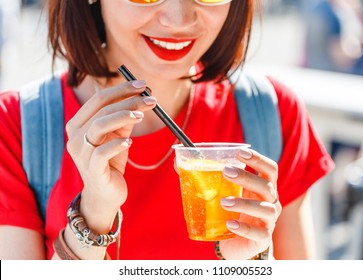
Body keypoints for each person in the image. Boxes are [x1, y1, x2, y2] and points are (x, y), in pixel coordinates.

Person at [0, 0, 334, 260]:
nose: (179, 19)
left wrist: (253, 262)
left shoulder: (272, 114)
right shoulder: (14, 127)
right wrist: (93, 216)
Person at [303, 0, 363, 73]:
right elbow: (340, 57)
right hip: (328, 74)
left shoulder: (320, 8)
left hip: (315, 71)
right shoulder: (333, 14)